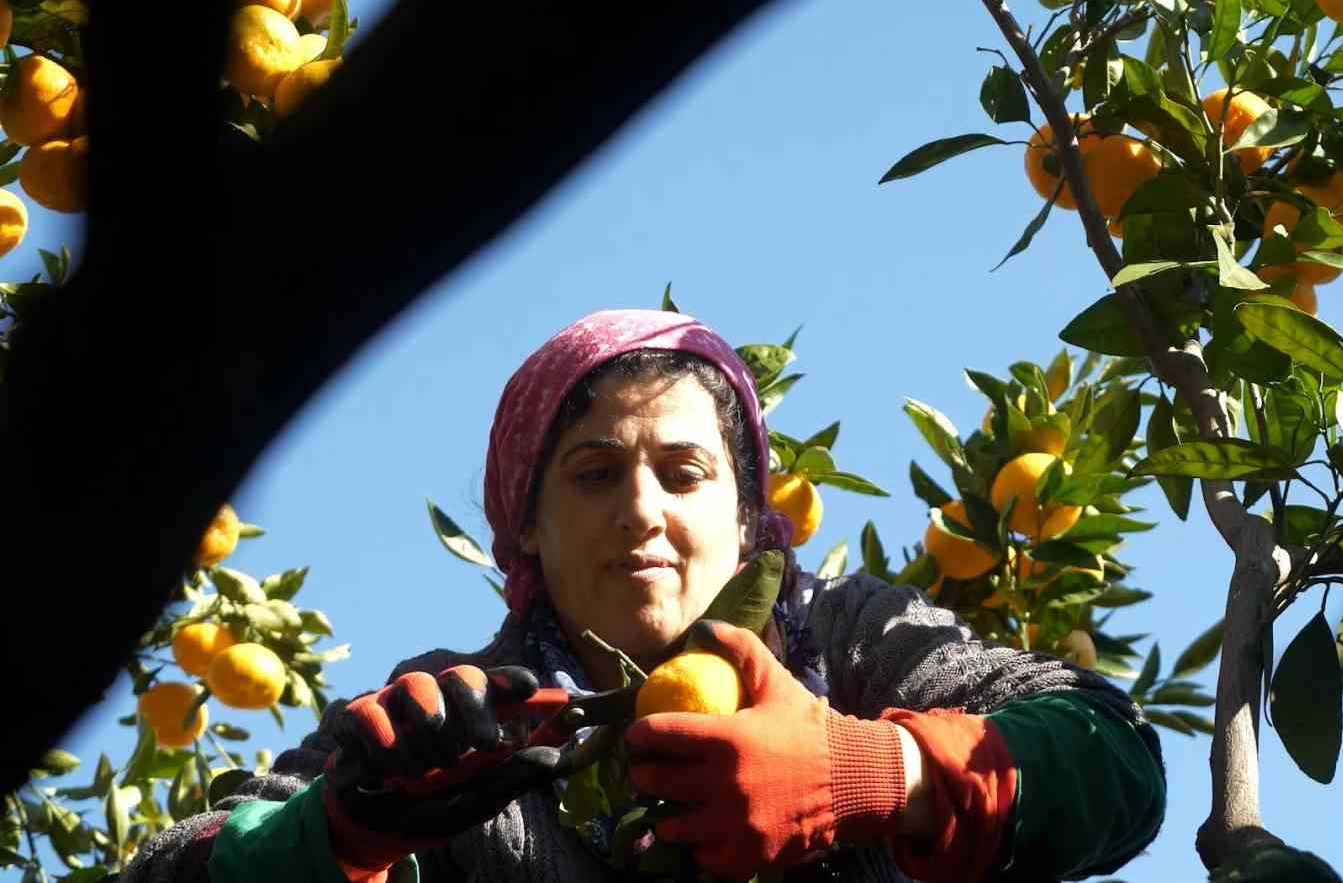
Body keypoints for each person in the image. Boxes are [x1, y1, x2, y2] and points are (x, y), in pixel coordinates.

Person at [124, 309, 1167, 882]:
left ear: (750, 511)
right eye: (591, 473)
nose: (638, 511)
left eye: (682, 472)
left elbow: (1112, 758)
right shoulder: (461, 716)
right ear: (524, 521)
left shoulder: (851, 641)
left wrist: (876, 770)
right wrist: (337, 837)